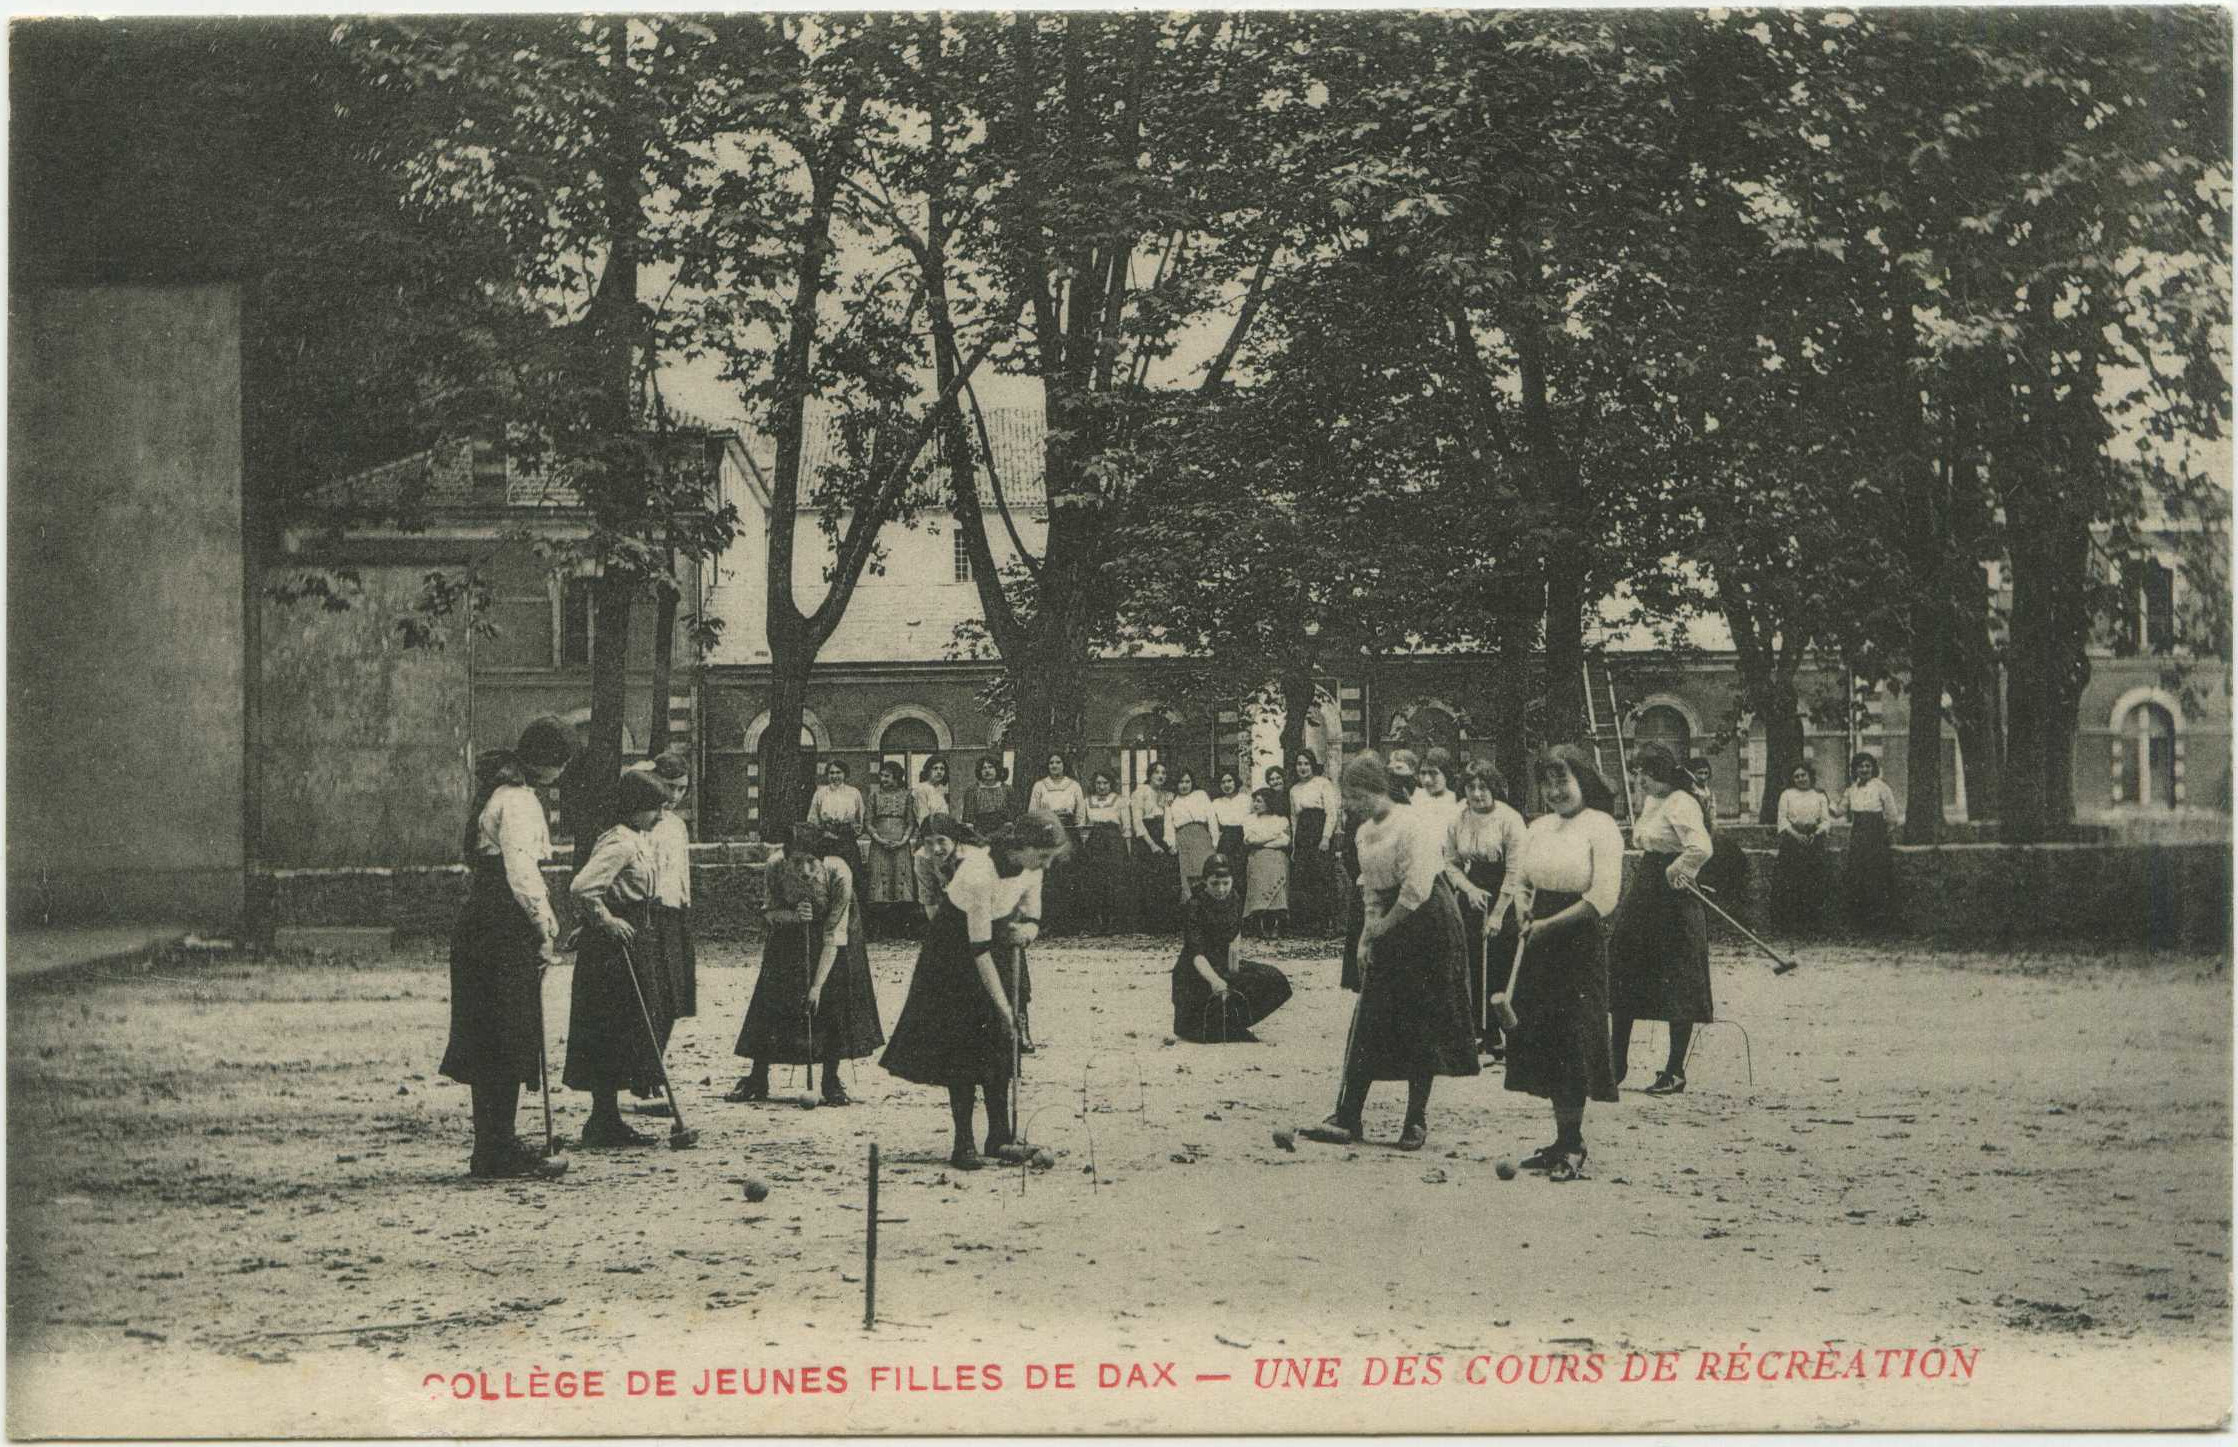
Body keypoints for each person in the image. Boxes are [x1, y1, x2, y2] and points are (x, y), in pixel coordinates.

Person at [1299, 753, 1479, 1153]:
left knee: (1422, 1020)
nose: (1350, 805)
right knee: (1372, 1016)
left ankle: (1415, 1120)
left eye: (1354, 795)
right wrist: (1366, 937)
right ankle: (1348, 1115)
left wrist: (1381, 928)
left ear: (1375, 789)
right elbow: (1372, 891)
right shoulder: (1364, 833)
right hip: (1391, 919)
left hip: (1430, 921)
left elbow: (1415, 891)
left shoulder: (1411, 823)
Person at [881, 812, 1067, 1169]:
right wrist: (1004, 1008)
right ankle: (962, 1141)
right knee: (963, 1044)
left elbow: (1032, 916)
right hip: (952, 952)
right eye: (1041, 855)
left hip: (993, 941)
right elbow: (976, 950)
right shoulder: (979, 872)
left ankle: (1000, 1135)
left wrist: (1027, 932)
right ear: (1020, 848)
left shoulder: (1032, 869)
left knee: (999, 1041)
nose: (1046, 863)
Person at [441, 715, 575, 1180]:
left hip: (485, 922)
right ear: (550, 763)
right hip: (502, 924)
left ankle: (496, 1141)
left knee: (497, 1035)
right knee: (504, 1034)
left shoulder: (501, 791)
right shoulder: (516, 801)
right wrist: (546, 925)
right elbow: (521, 875)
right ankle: (496, 1147)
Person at [1503, 745, 1624, 1181]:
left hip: (1578, 941)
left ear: (1584, 780)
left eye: (1563, 781)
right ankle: (1560, 1138)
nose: (1555, 791)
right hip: (1539, 938)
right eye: (1548, 783)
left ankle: (1573, 1144)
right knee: (1548, 1037)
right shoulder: (1538, 826)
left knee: (1574, 1038)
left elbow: (1602, 900)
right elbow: (1522, 880)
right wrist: (1520, 910)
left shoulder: (1602, 826)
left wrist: (1547, 926)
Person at [728, 823, 886, 1107]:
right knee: (772, 997)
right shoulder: (775, 866)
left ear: (822, 859)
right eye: (797, 861)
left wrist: (816, 986)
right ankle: (756, 1078)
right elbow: (769, 912)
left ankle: (830, 1080)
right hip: (789, 933)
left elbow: (833, 935)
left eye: (811, 862)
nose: (804, 870)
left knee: (831, 998)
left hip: (835, 934)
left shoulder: (839, 873)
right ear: (786, 857)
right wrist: (791, 915)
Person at [561, 768, 676, 1148]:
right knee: (609, 1028)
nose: (660, 816)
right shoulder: (620, 843)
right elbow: (582, 887)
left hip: (637, 937)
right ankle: (603, 1120)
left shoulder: (637, 839)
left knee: (632, 1025)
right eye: (654, 808)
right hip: (615, 948)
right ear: (635, 808)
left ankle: (607, 1118)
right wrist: (605, 920)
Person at [1608, 744, 1715, 1097]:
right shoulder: (1654, 801)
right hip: (1645, 889)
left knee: (1677, 976)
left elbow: (1701, 847)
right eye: (1636, 772)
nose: (1637, 779)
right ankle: (1615, 1063)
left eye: (1643, 773)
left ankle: (1674, 1069)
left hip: (1673, 894)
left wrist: (1678, 868)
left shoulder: (1682, 802)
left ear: (1660, 774)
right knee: (1624, 963)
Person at [1445, 759, 1529, 1059]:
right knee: (1471, 960)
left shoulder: (1510, 819)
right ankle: (1481, 1032)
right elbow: (1451, 863)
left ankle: (1509, 1035)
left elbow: (1516, 870)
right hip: (1473, 892)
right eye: (1471, 787)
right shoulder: (1458, 818)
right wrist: (1467, 889)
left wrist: (1497, 914)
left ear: (1494, 788)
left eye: (1483, 787)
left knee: (1500, 961)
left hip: (1504, 894)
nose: (1477, 794)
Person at [1173, 856, 1293, 1042]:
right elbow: (1196, 953)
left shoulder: (1235, 898)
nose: (1221, 889)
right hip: (1196, 972)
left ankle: (1233, 1024)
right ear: (1205, 881)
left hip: (1223, 961)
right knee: (1207, 1012)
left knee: (1275, 980)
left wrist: (1234, 970)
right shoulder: (1194, 906)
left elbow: (1235, 934)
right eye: (1215, 883)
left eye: (1225, 883)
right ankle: (1214, 1027)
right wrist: (1215, 981)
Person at [636, 751, 697, 1046]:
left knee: (675, 992)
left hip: (675, 914)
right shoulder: (641, 823)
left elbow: (681, 870)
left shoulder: (677, 826)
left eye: (682, 788)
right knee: (652, 994)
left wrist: (685, 901)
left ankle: (657, 1060)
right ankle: (644, 1068)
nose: (674, 795)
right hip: (649, 914)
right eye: (669, 786)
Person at [1838, 751, 1901, 930]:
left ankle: (1881, 923)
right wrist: (1823, 800)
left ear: (1873, 768)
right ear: (1855, 770)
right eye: (1860, 766)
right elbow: (1840, 811)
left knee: (1877, 875)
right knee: (1858, 875)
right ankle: (1860, 923)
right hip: (1858, 834)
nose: (1864, 769)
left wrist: (1882, 835)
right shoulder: (1851, 789)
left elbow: (1892, 816)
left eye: (1867, 766)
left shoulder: (1881, 787)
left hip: (1876, 835)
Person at [1028, 753, 1087, 935]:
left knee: (1068, 878)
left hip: (1068, 834)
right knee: (1050, 880)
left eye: (1058, 762)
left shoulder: (1074, 786)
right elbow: (1033, 811)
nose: (1054, 765)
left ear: (1064, 764)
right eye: (1051, 762)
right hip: (1047, 835)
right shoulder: (1040, 786)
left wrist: (1080, 834)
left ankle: (1069, 924)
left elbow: (1080, 812)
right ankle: (1049, 923)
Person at [1773, 761, 1834, 934]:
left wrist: (1818, 832)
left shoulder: (1819, 795)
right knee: (1791, 883)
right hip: (1792, 842)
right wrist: (1796, 835)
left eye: (1803, 775)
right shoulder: (1787, 795)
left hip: (1814, 841)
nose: (1800, 779)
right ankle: (1790, 927)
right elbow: (1782, 820)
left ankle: (1813, 926)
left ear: (1810, 776)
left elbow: (1825, 820)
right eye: (1796, 776)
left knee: (1814, 883)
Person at [1288, 750, 1341, 936]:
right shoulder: (1294, 790)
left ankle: (1329, 923)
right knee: (1305, 879)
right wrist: (1295, 846)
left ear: (1312, 765)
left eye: (1306, 764)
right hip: (1303, 835)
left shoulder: (1322, 783)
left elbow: (1332, 813)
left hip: (1319, 832)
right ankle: (1311, 924)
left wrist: (1326, 837)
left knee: (1323, 878)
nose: (1302, 768)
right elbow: (1294, 819)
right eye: (1299, 764)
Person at [863, 760, 920, 929]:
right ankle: (881, 927)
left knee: (900, 881)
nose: (883, 779)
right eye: (881, 776)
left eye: (887, 776)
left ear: (896, 777)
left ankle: (902, 927)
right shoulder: (874, 796)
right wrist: (878, 839)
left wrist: (903, 840)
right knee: (880, 881)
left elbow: (911, 822)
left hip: (900, 845)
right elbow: (868, 821)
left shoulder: (907, 796)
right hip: (879, 845)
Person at [1078, 770, 1130, 934]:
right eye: (1099, 783)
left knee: (1114, 882)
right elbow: (1081, 824)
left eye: (1105, 783)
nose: (1101, 786)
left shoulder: (1119, 801)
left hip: (1114, 841)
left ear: (1111, 784)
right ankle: (1096, 924)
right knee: (1095, 882)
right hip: (1094, 842)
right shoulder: (1086, 801)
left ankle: (1114, 924)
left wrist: (1125, 848)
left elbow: (1126, 827)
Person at [1128, 760, 1175, 930]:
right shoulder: (1140, 792)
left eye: (1164, 773)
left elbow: (1168, 820)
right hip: (1145, 840)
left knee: (1161, 881)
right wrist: (1152, 844)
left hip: (1161, 835)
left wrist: (1167, 842)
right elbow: (1137, 822)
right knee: (1144, 881)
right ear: (1150, 774)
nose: (1160, 776)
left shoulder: (1165, 795)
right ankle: (1143, 924)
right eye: (1157, 772)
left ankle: (1160, 923)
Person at [806, 759, 868, 888]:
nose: (835, 776)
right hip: (826, 839)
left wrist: (852, 833)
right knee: (826, 874)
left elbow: (861, 817)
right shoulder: (820, 793)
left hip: (847, 839)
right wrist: (822, 833)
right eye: (831, 773)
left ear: (845, 774)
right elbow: (813, 819)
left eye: (838, 772)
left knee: (852, 873)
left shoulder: (853, 793)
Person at [1241, 788, 1292, 940]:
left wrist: (1263, 843)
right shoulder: (1249, 820)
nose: (1255, 804)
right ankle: (1261, 924)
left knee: (1278, 875)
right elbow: (1250, 839)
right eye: (1254, 801)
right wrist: (1273, 835)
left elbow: (1285, 841)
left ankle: (1276, 924)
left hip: (1277, 858)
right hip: (1257, 858)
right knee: (1258, 881)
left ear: (1269, 802)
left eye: (1259, 801)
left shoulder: (1281, 820)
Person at [911, 812, 981, 920]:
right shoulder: (922, 858)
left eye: (941, 841)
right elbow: (931, 902)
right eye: (929, 842)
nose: (936, 849)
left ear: (954, 839)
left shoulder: (973, 855)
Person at [1167, 768, 1218, 906]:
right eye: (1180, 782)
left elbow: (1211, 817)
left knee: (1205, 871)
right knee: (1188, 877)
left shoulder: (1200, 795)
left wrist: (1215, 840)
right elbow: (1169, 823)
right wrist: (1171, 843)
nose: (1184, 785)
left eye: (1187, 782)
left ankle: (1209, 906)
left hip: (1201, 837)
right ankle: (1191, 912)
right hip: (1183, 838)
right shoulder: (1172, 800)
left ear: (1192, 782)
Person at [1209, 768, 1252, 892]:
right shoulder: (1216, 803)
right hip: (1226, 840)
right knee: (1226, 873)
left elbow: (1252, 820)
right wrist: (1216, 844)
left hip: (1243, 838)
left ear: (1235, 782)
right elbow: (1213, 826)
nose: (1226, 785)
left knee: (1242, 874)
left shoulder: (1246, 799)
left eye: (1229, 781)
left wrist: (1249, 839)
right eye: (1223, 782)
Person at [1414, 746, 1464, 835]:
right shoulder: (1413, 800)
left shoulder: (1458, 802)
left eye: (1433, 773)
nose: (1427, 780)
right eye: (1423, 773)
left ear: (1447, 774)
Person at [963, 755, 1014, 838]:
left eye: (990, 767)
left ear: (997, 769)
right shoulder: (972, 791)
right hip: (979, 836)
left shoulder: (1007, 790)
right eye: (984, 768)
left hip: (1003, 836)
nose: (987, 770)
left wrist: (996, 836)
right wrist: (981, 838)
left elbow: (1010, 820)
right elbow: (968, 821)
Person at [912, 755, 953, 825]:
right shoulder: (922, 789)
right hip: (928, 831)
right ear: (928, 771)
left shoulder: (940, 790)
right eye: (935, 768)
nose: (939, 772)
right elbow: (923, 819)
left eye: (942, 769)